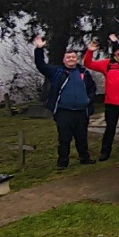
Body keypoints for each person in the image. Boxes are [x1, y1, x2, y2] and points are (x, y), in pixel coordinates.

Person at [33, 37, 97, 168]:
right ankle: (62, 162)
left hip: (81, 112)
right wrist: (39, 49)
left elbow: (92, 88)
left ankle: (84, 158)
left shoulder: (84, 72)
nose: (71, 59)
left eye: (73, 57)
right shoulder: (57, 72)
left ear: (76, 59)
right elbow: (41, 65)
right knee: (64, 138)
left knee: (82, 137)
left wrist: (89, 100)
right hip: (63, 112)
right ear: (64, 60)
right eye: (68, 57)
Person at [83, 42, 119, 158]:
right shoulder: (106, 64)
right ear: (114, 52)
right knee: (110, 128)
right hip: (111, 103)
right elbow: (88, 63)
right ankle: (105, 152)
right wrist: (90, 51)